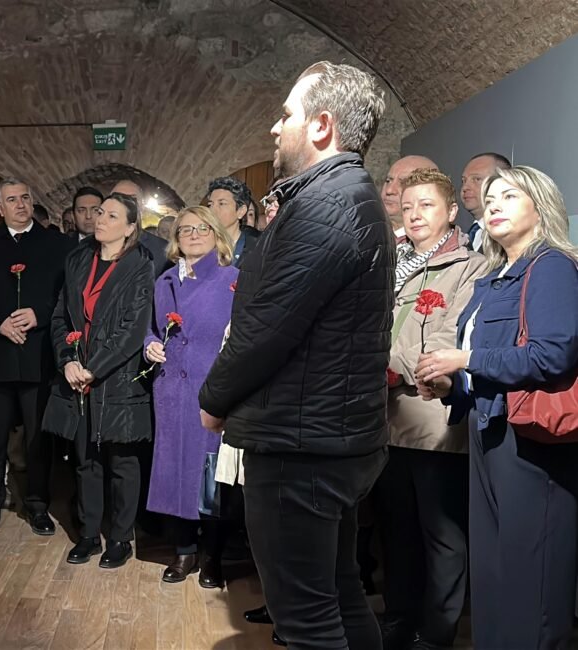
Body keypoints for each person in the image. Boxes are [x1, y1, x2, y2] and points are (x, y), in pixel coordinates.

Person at [199, 61, 392, 649]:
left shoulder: (327, 205)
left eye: (287, 114)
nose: (275, 126)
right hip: (322, 434)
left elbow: (267, 326)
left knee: (306, 621)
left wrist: (214, 398)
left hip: (301, 443)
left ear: (322, 125)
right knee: (339, 595)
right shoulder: (340, 196)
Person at [416, 165, 578, 650]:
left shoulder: (551, 266)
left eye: (508, 196)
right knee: (492, 576)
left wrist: (465, 359)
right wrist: (450, 384)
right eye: (489, 201)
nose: (493, 206)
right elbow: (482, 369)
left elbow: (552, 355)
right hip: (487, 431)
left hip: (530, 440)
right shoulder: (492, 278)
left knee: (531, 581)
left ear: (540, 207)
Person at [375, 168, 487, 650]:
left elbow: (446, 342)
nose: (414, 214)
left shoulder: (470, 266)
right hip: (384, 419)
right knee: (395, 530)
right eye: (407, 206)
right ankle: (399, 618)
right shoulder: (393, 262)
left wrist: (379, 360)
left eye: (426, 205)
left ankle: (437, 634)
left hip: (433, 420)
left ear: (451, 211)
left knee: (442, 536)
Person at [42, 193, 155, 569]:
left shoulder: (140, 265)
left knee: (123, 462)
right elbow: (60, 318)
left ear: (130, 227)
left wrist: (94, 368)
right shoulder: (77, 259)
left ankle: (121, 537)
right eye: (100, 212)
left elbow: (133, 329)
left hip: (117, 377)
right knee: (85, 459)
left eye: (111, 215)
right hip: (78, 375)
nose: (100, 219)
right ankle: (89, 534)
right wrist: (68, 362)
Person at [0, 178, 75, 535]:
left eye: (25, 197)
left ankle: (38, 505)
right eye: (12, 200)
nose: (21, 204)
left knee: (37, 440)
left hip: (38, 354)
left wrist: (39, 314)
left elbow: (66, 293)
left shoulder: (57, 244)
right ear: (0, 208)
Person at [143, 206, 238, 586]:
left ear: (217, 235)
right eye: (185, 229)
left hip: (210, 390)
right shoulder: (165, 281)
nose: (194, 235)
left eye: (202, 228)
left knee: (210, 478)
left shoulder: (234, 280)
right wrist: (149, 345)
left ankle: (212, 556)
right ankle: (184, 551)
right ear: (176, 239)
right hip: (172, 391)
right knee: (175, 473)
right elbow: (152, 329)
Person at [110, 180, 169, 276]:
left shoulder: (162, 251)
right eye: (118, 199)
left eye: (133, 200)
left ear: (142, 207)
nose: (126, 205)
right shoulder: (89, 245)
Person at [202, 176, 261, 267]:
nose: (213, 210)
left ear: (241, 211)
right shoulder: (201, 243)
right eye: (210, 204)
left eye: (221, 204)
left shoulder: (257, 247)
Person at [459, 152, 511, 253]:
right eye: (463, 181)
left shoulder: (509, 236)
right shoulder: (466, 235)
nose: (465, 187)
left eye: (477, 179)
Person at [381, 155, 438, 240]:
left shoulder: (436, 243)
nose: (389, 190)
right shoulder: (366, 232)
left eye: (403, 183)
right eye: (388, 181)